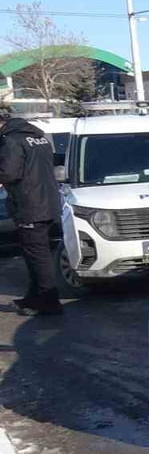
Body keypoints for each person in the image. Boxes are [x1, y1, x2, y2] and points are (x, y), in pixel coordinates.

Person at [0, 112, 63, 316]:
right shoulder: (39, 137)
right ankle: (33, 298)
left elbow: (10, 173)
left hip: (29, 205)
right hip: (47, 202)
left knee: (38, 257)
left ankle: (50, 302)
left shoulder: (11, 140)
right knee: (35, 254)